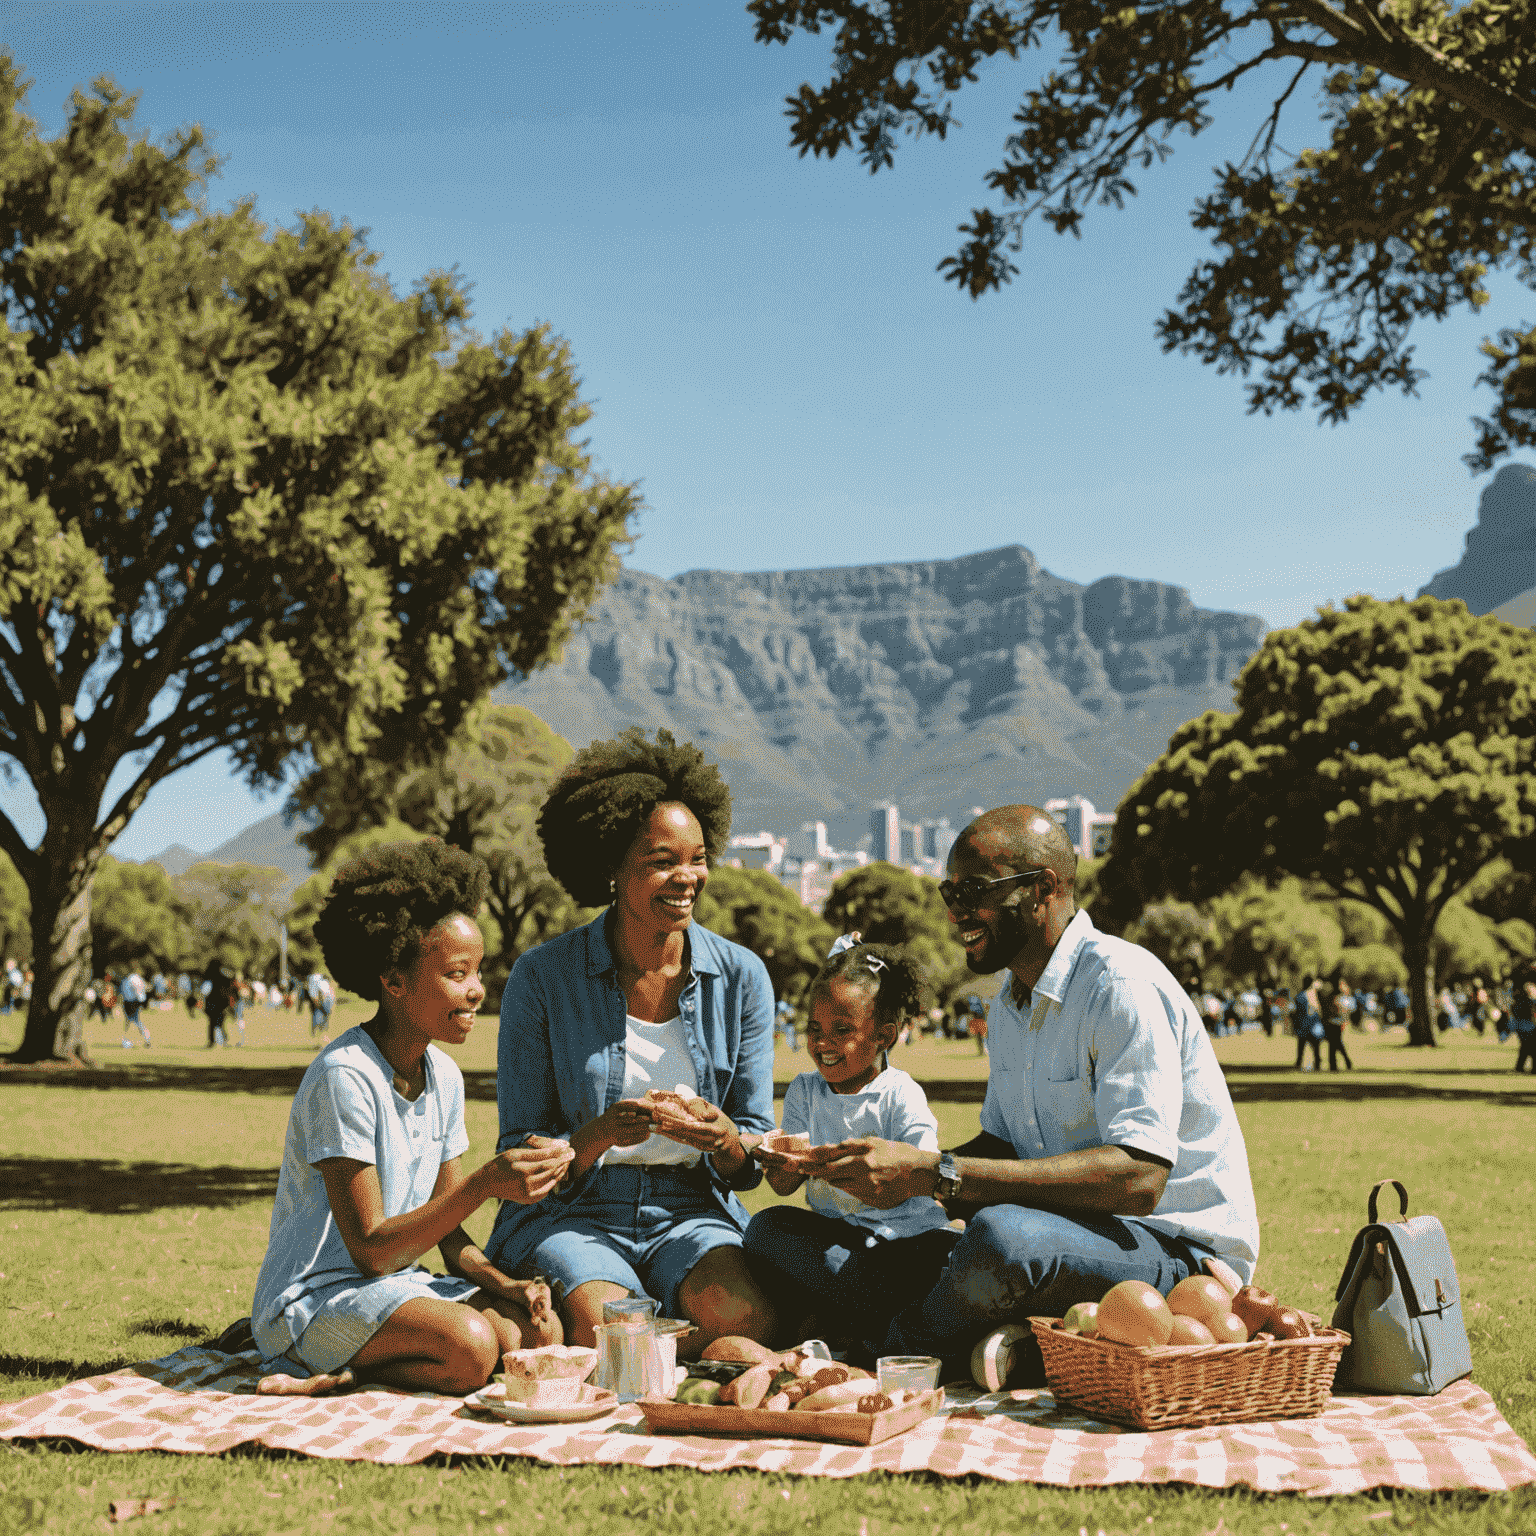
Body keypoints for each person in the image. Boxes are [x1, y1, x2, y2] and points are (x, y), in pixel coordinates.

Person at [795, 805, 1259, 1384]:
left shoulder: (1120, 985)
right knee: (785, 1235)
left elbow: (1140, 1177)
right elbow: (1006, 1146)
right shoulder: (1010, 1003)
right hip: (1059, 1237)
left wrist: (937, 1173)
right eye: (949, 891)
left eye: (974, 891)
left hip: (1173, 1253)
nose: (955, 909)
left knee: (1002, 1239)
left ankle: (884, 1352)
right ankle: (1013, 1339)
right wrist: (884, 1180)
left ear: (1043, 889)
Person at [484, 728, 778, 1357]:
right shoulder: (542, 977)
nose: (687, 877)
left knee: (748, 1321)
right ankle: (654, 1345)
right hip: (576, 1214)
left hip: (692, 1211)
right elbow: (519, 1147)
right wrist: (598, 1135)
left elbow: (753, 1145)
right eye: (661, 861)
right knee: (614, 1337)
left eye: (697, 857)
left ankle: (688, 1354)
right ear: (610, 869)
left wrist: (723, 1138)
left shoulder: (742, 977)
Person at [251, 840, 568, 1397]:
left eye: (478, 971)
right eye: (456, 973)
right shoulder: (345, 1076)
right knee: (472, 1345)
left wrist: (507, 1286)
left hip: (395, 1289)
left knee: (535, 1336)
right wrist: (486, 1182)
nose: (476, 991)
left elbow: (448, 1236)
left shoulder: (443, 1075)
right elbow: (372, 1252)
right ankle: (334, 1374)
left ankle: (353, 1373)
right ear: (393, 980)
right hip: (318, 1298)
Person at [744, 938, 958, 1359]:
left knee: (935, 1257)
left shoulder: (899, 1093)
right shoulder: (807, 1090)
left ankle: (866, 1321)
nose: (824, 1043)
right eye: (815, 1030)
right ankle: (877, 1322)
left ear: (883, 1036)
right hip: (844, 1244)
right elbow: (786, 1185)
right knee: (765, 1229)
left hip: (906, 1240)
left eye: (842, 1031)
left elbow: (923, 1171)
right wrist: (780, 1161)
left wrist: (871, 1168)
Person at [1292, 977, 1325, 1071]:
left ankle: (1299, 1063)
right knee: (1315, 1046)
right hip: (1312, 1024)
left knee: (1301, 1046)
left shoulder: (1300, 995)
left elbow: (1296, 1011)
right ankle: (1317, 1064)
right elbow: (1318, 1011)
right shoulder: (1313, 995)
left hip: (1303, 1024)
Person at [1322, 975, 1354, 1072]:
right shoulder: (1335, 997)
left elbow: (1344, 1011)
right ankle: (1338, 1064)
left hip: (1336, 1022)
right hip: (1334, 1022)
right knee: (1335, 1043)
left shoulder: (1337, 998)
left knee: (1335, 1044)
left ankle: (1336, 1064)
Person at [119, 967, 151, 1048]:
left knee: (131, 1022)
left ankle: (127, 1041)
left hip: (130, 1002)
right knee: (133, 1021)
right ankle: (146, 1039)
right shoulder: (135, 978)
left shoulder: (129, 978)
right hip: (133, 1002)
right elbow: (141, 990)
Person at [1511, 975, 1536, 1074]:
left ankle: (1520, 1067)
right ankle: (1529, 1068)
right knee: (1530, 1047)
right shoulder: (1528, 1002)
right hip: (1528, 1027)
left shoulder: (1520, 1001)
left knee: (1526, 1047)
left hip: (1523, 1027)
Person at [307, 969, 336, 1043]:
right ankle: (320, 1040)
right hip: (321, 1003)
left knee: (323, 1022)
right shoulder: (315, 979)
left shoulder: (323, 980)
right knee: (319, 1021)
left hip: (325, 1002)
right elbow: (316, 993)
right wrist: (318, 1003)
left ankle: (321, 1039)